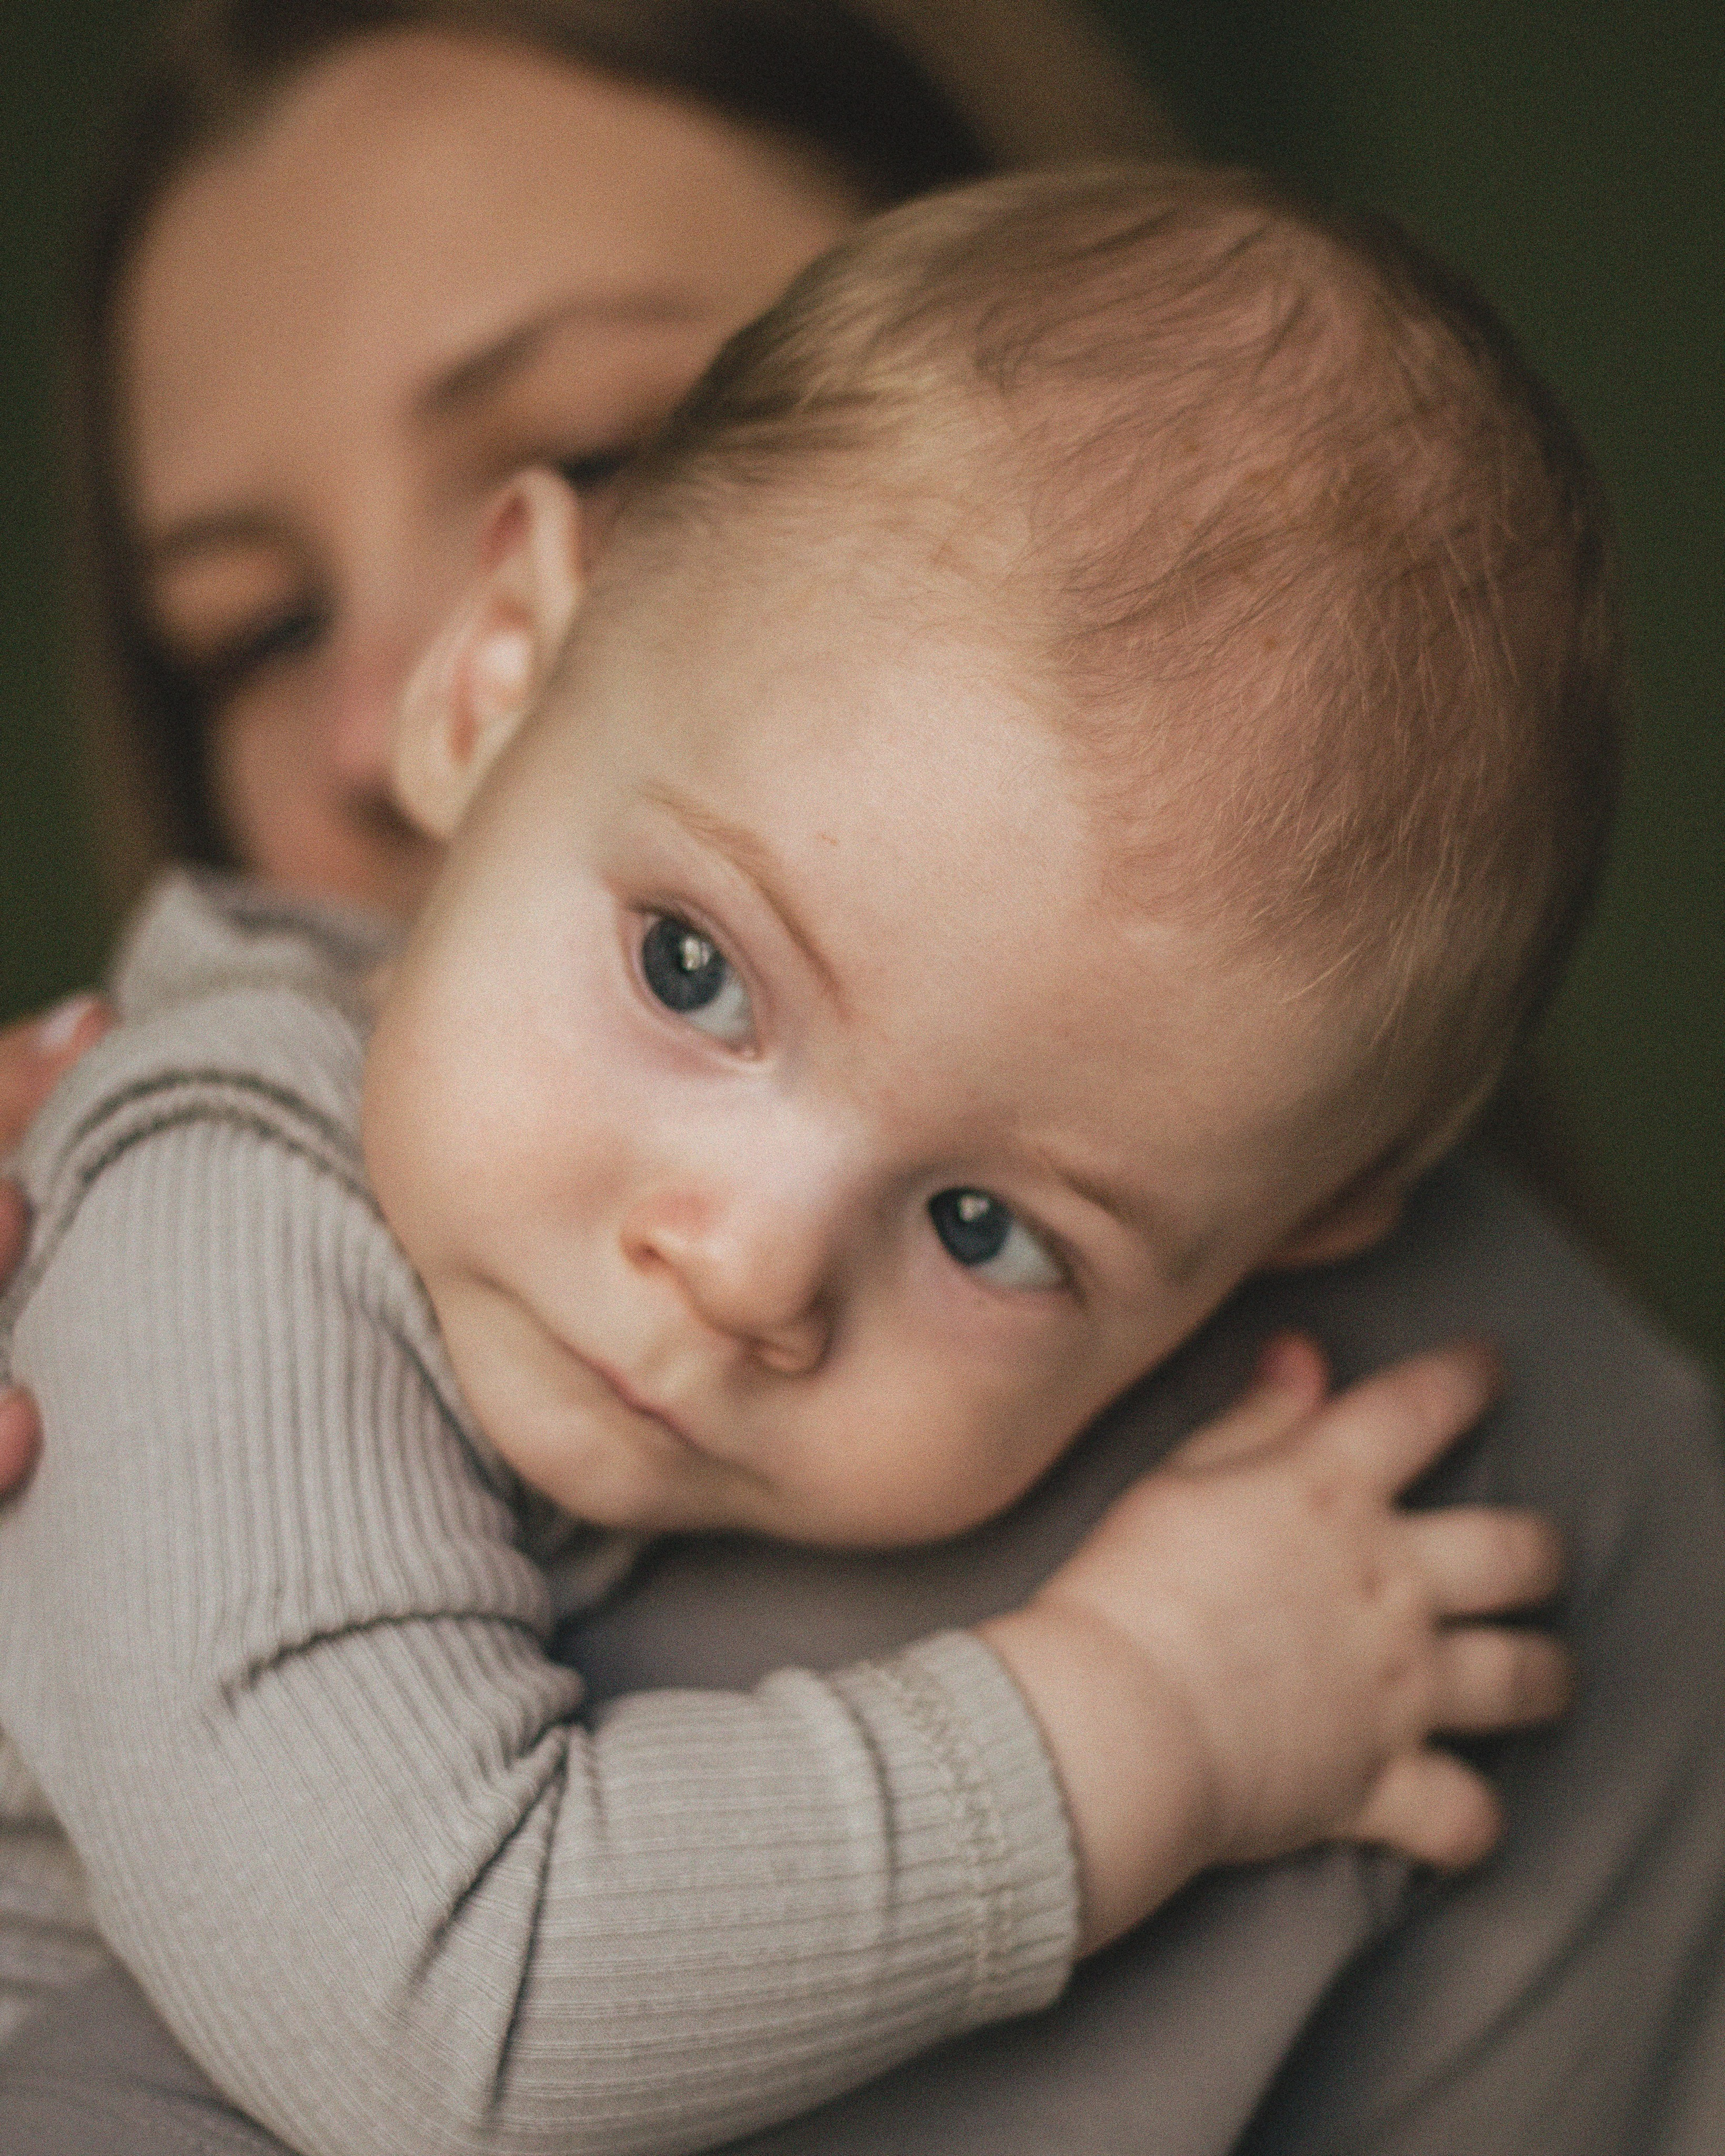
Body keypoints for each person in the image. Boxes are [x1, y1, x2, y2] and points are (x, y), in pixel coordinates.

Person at [0, 9, 1721, 2156]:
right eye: (691, 967)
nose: (740, 1272)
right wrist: (1141, 1721)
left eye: (987, 1230)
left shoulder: (1516, 1459)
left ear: (1289, 1236)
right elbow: (442, 1999)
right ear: (500, 674)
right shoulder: (215, 1184)